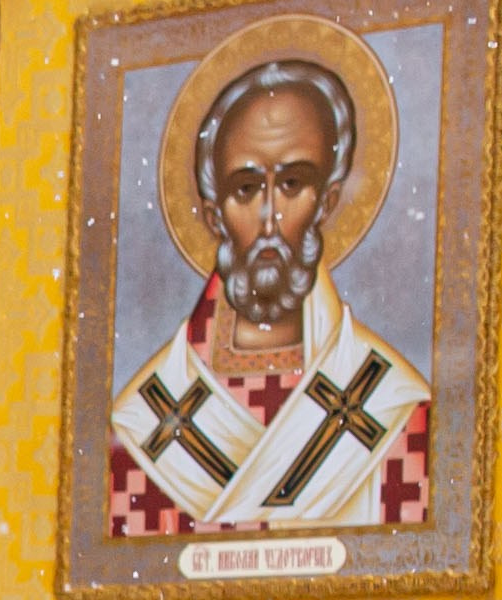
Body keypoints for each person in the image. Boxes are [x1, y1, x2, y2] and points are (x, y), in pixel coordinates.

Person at [108, 56, 428, 536]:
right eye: (247, 188)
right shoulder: (146, 421)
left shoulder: (390, 406)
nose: (270, 218)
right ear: (214, 217)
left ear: (329, 200)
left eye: (293, 184)